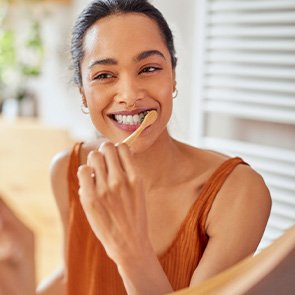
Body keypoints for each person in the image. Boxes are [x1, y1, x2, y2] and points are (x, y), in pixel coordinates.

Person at [1, 0, 271, 294]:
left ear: (173, 76)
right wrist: (20, 271)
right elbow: (75, 275)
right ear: (83, 94)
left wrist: (130, 248)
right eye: (104, 75)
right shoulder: (69, 168)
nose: (129, 95)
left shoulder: (238, 192)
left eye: (149, 68)